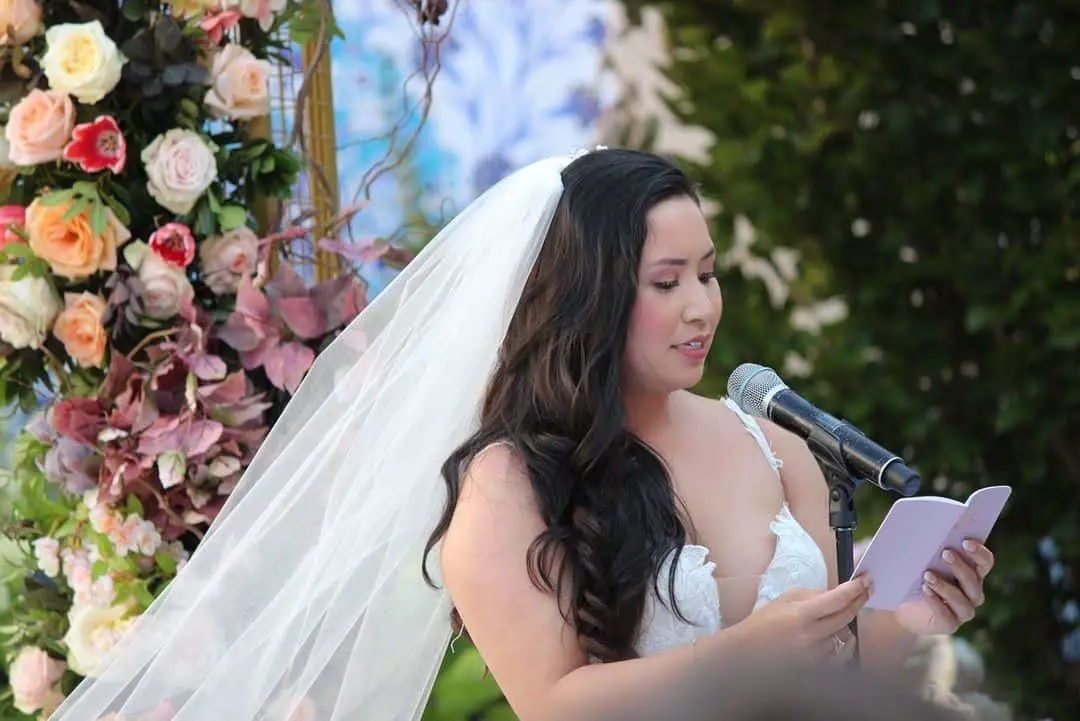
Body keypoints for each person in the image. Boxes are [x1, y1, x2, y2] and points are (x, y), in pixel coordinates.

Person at [48, 149, 995, 721]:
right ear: (589, 294)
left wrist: (907, 623)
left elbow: (824, 671)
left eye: (707, 273)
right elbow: (554, 702)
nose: (701, 306)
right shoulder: (514, 481)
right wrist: (746, 655)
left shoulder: (773, 443)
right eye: (665, 283)